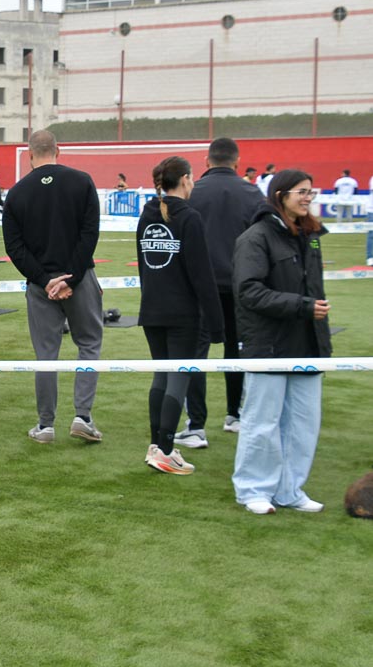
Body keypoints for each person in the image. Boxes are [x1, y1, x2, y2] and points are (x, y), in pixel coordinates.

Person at [232, 169, 331, 515]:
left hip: (308, 345)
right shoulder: (255, 237)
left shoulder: (311, 235)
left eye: (310, 192)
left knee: (303, 425)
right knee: (262, 423)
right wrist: (302, 306)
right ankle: (253, 490)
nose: (308, 198)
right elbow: (248, 292)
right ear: (280, 195)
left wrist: (314, 320)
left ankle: (290, 490)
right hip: (269, 345)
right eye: (301, 191)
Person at [2, 130, 104, 445]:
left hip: (40, 285)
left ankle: (45, 425)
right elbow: (90, 233)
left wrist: (46, 280)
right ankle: (83, 417)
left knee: (46, 354)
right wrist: (70, 278)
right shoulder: (82, 181)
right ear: (58, 150)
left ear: (30, 155)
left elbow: (14, 248)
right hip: (79, 279)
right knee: (89, 343)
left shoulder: (17, 192)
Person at [136, 157, 224, 475]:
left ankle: (157, 446)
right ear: (185, 179)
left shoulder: (147, 214)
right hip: (181, 314)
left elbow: (144, 267)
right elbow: (202, 276)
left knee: (162, 375)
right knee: (177, 377)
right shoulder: (189, 217)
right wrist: (217, 326)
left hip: (152, 309)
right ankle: (165, 449)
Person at [178, 138, 267, 448]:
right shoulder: (253, 193)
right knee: (237, 349)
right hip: (242, 285)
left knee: (196, 353)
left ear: (207, 161)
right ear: (237, 161)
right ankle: (236, 415)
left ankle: (196, 426)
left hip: (200, 287)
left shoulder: (193, 192)